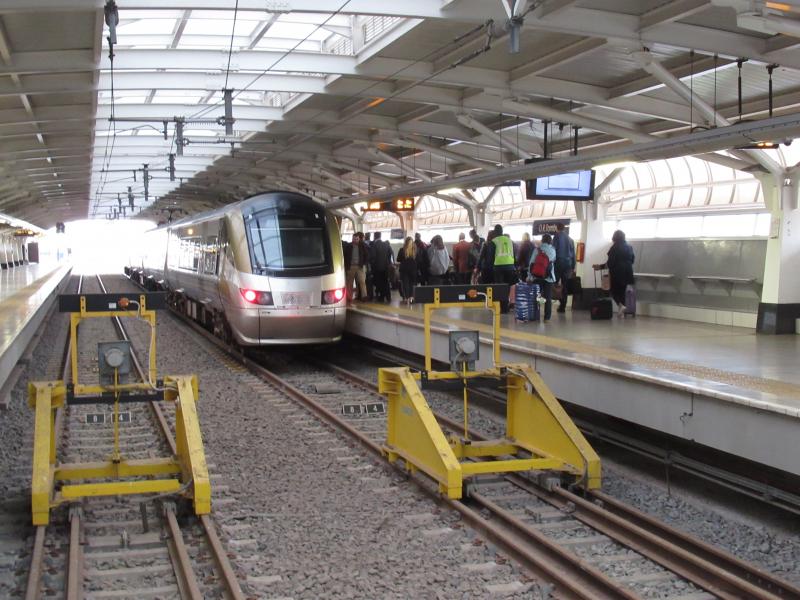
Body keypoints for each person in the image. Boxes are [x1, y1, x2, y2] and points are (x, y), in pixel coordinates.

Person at [593, 229, 635, 315]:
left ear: (614, 237)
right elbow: (632, 260)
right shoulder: (629, 247)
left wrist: (600, 267)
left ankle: (621, 306)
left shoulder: (614, 247)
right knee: (622, 292)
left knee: (612, 290)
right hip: (628, 272)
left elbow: (610, 263)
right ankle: (622, 312)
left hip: (617, 273)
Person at [488, 224, 517, 313]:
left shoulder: (494, 241)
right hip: (510, 266)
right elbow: (514, 253)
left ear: (495, 232)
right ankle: (506, 307)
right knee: (508, 287)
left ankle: (502, 308)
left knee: (500, 288)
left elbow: (490, 257)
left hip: (498, 267)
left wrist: (490, 268)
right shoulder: (510, 240)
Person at [530, 233, 557, 322]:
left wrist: (529, 276)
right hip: (548, 277)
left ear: (542, 240)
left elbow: (531, 264)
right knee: (548, 297)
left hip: (537, 276)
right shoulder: (553, 250)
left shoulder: (537, 250)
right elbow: (553, 262)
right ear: (550, 241)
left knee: (537, 296)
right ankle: (547, 318)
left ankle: (535, 315)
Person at [552, 223, 576, 313]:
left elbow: (553, 250)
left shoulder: (556, 236)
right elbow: (573, 254)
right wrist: (573, 266)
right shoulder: (570, 239)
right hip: (568, 265)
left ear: (557, 228)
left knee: (553, 284)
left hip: (558, 263)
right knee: (565, 285)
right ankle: (563, 306)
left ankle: (553, 302)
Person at [343, 232, 368, 302]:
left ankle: (364, 296)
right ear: (352, 239)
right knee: (349, 283)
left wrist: (364, 263)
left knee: (362, 281)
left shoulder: (362, 246)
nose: (355, 240)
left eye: (357, 239)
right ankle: (349, 297)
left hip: (360, 267)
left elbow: (366, 255)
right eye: (354, 239)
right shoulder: (348, 246)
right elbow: (344, 256)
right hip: (351, 267)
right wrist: (346, 265)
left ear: (359, 239)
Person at [370, 231, 394, 303]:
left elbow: (373, 257)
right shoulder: (386, 244)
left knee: (379, 282)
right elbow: (391, 254)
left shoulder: (374, 245)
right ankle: (388, 297)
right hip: (386, 267)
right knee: (386, 281)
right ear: (380, 236)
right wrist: (389, 263)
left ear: (374, 237)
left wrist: (372, 265)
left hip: (377, 267)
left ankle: (382, 297)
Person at [397, 236, 419, 304]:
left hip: (404, 270)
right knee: (412, 284)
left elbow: (398, 259)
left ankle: (406, 299)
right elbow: (418, 260)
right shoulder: (415, 250)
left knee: (405, 284)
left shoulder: (402, 250)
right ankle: (411, 298)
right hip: (413, 269)